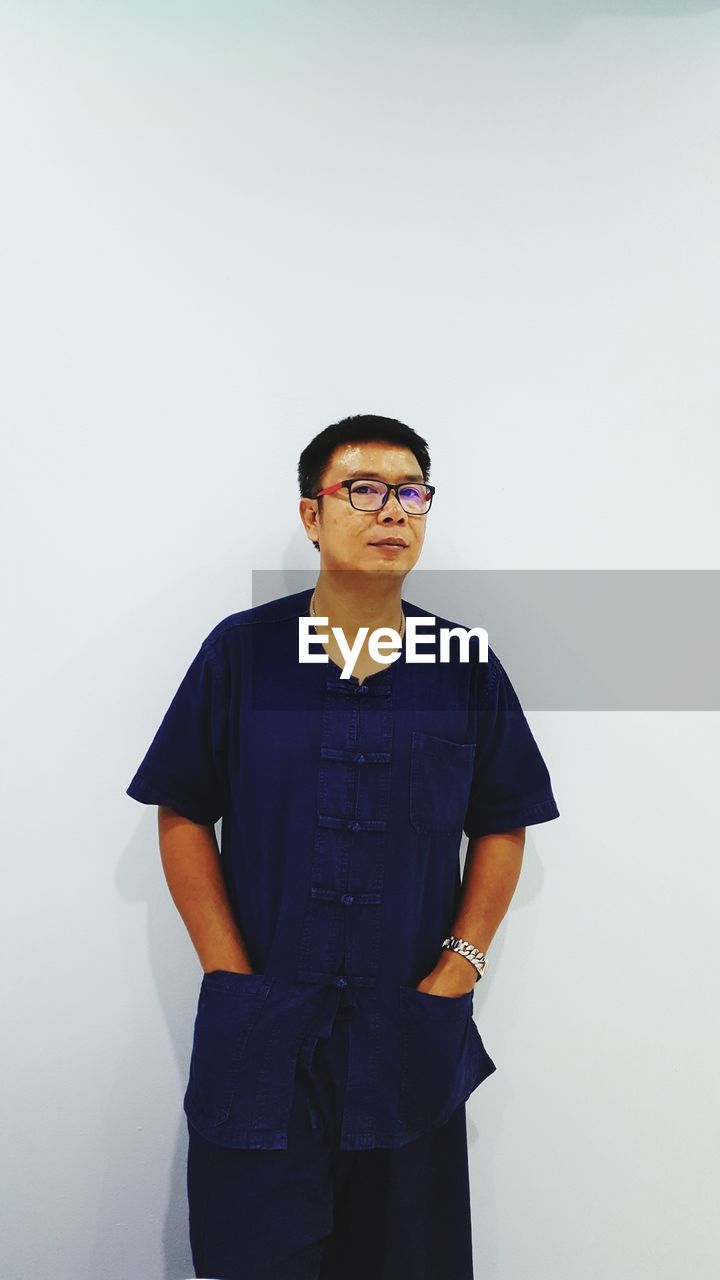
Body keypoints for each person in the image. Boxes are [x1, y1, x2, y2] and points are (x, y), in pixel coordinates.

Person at [126, 414, 560, 1279]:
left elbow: (502, 823)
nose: (392, 510)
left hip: (407, 1035)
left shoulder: (464, 664)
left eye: (411, 493)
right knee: (259, 1256)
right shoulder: (243, 656)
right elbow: (182, 812)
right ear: (311, 514)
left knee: (407, 1260)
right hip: (263, 1035)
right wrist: (227, 972)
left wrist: (458, 970)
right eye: (363, 489)